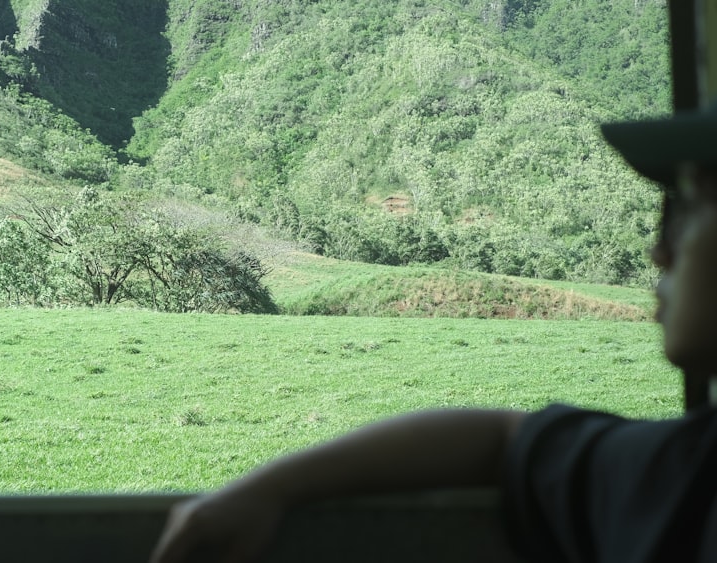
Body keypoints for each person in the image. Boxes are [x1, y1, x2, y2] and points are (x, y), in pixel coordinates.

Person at [149, 109, 717, 563]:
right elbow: (500, 441)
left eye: (685, 212)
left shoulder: (676, 475)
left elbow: (502, 440)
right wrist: (266, 489)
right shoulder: (677, 471)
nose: (660, 250)